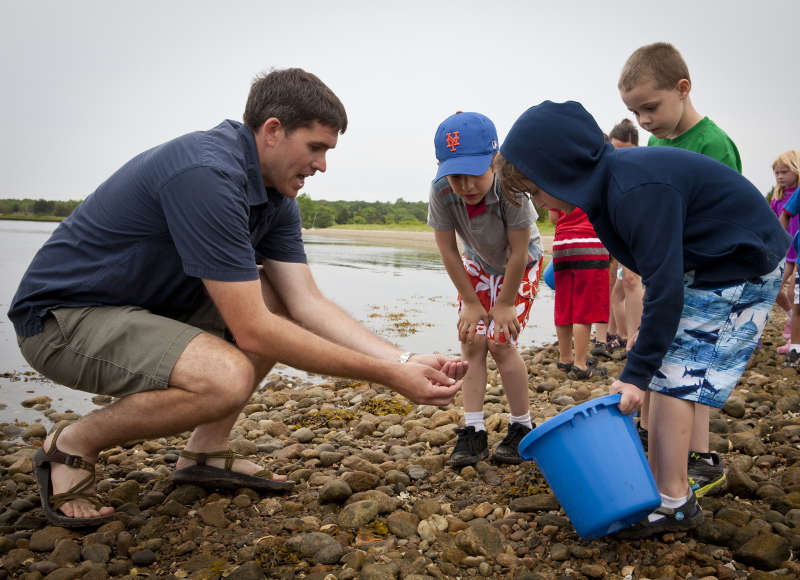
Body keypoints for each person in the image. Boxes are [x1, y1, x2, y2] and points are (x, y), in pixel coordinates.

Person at [8, 68, 466, 528]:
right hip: (62, 320)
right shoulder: (206, 174)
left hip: (142, 310)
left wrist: (403, 360)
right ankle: (72, 444)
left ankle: (204, 453)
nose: (323, 165)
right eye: (316, 147)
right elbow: (253, 329)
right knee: (225, 377)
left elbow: (306, 303)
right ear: (272, 131)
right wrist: (388, 376)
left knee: (275, 297)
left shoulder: (276, 196)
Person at [494, 100, 788, 538]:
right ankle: (658, 488)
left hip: (739, 262)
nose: (537, 201)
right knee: (661, 365)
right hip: (707, 264)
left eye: (535, 189)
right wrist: (645, 342)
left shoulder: (633, 188)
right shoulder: (608, 188)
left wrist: (634, 375)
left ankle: (674, 502)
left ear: (562, 168)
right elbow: (656, 274)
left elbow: (665, 284)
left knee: (672, 374)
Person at [619, 42, 741, 497]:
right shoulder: (654, 142)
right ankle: (667, 448)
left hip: (710, 274)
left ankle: (701, 458)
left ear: (683, 89)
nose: (645, 121)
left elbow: (724, 216)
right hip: (671, 272)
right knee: (671, 363)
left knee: (692, 369)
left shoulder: (713, 144)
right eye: (636, 113)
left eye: (651, 107)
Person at [427, 112, 543, 467]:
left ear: (494, 159)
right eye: (455, 175)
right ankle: (474, 431)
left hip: (520, 262)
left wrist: (504, 303)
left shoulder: (510, 190)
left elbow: (519, 251)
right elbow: (447, 250)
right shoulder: (442, 191)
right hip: (476, 260)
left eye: (473, 174)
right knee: (471, 341)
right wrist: (471, 302)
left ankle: (522, 425)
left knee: (500, 341)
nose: (465, 185)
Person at [548, 203, 609, 380]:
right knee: (585, 306)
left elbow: (553, 218)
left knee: (563, 303)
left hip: (562, 243)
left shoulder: (557, 178)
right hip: (589, 241)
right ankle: (580, 364)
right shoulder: (594, 176)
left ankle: (565, 359)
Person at [769, 150, 800, 354]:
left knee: (793, 292)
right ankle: (791, 319)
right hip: (784, 250)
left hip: (797, 250)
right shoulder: (777, 197)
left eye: (784, 171)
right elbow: (773, 220)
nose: (779, 176)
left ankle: (795, 341)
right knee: (773, 287)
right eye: (777, 173)